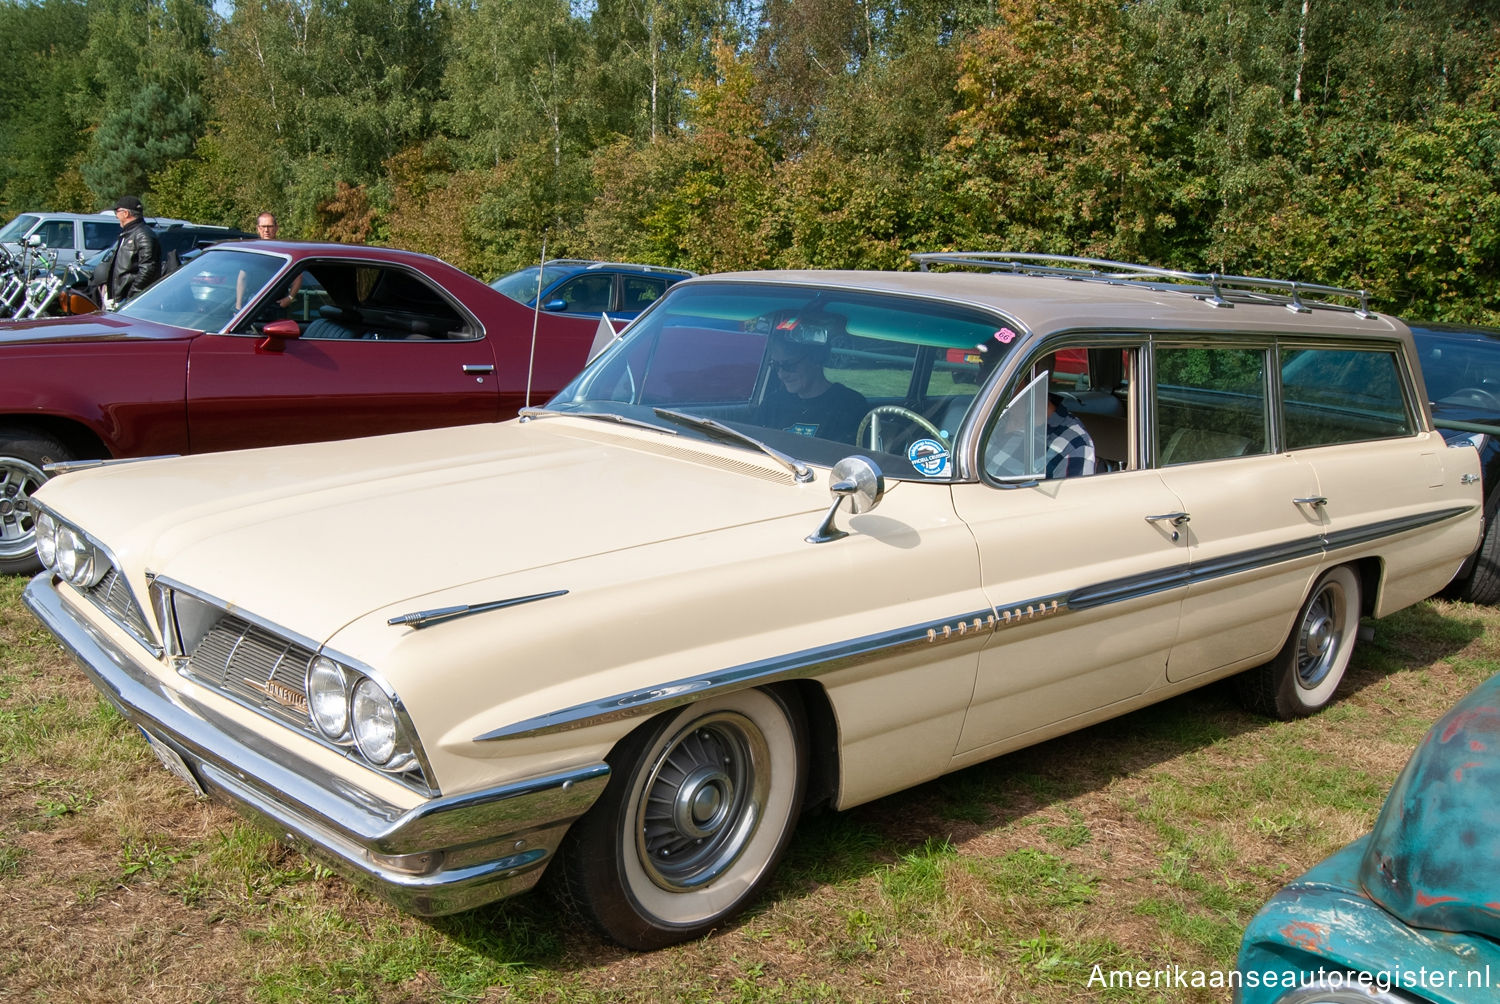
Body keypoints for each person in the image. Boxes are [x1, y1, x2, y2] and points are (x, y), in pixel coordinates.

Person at [756, 317, 869, 443]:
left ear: (816, 359)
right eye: (776, 366)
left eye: (789, 365)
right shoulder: (772, 404)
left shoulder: (849, 406)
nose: (781, 375)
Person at [237, 212, 301, 312]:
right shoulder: (252, 251)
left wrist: (290, 298)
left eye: (270, 226)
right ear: (258, 228)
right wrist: (238, 305)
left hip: (277, 305)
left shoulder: (284, 251)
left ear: (276, 228)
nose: (266, 230)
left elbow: (298, 277)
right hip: (253, 305)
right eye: (263, 226)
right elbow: (242, 278)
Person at [105, 195, 161, 306]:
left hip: (131, 300)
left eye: (117, 211)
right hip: (121, 298)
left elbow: (148, 268)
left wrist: (132, 295)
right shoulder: (127, 233)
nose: (116, 216)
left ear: (126, 213)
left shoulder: (143, 235)